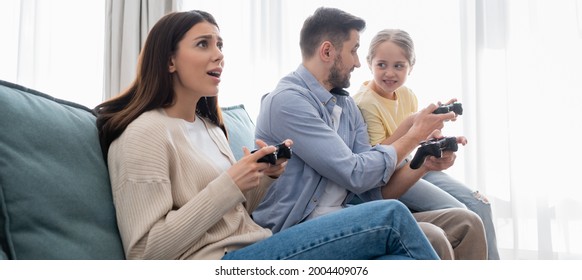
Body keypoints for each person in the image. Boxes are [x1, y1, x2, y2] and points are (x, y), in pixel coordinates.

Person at [93, 10, 439, 260]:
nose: (219, 55)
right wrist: (230, 182)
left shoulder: (209, 127)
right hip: (225, 262)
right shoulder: (143, 134)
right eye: (203, 44)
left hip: (257, 245)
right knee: (392, 217)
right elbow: (145, 254)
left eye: (220, 44)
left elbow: (238, 211)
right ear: (169, 61)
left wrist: (265, 177)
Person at [253, 7, 487, 260]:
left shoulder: (345, 106)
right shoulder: (288, 102)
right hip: (297, 228)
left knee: (467, 222)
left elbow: (373, 189)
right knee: (433, 235)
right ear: (328, 51)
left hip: (343, 215)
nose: (356, 62)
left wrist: (424, 163)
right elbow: (355, 173)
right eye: (353, 50)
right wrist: (414, 135)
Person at [352, 29, 499, 259]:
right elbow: (378, 158)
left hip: (413, 162)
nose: (389, 73)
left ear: (411, 66)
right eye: (382, 65)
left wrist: (436, 135)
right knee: (463, 215)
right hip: (394, 174)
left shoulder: (406, 94)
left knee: (480, 205)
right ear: (370, 63)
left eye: (398, 66)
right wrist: (417, 129)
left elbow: (415, 136)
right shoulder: (365, 103)